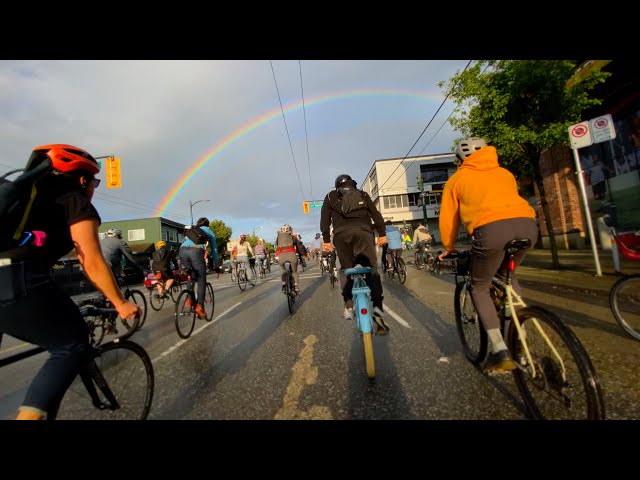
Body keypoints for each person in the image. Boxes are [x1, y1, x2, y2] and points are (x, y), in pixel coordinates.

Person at [0, 144, 141, 420]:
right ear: (81, 179)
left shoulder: (26, 196)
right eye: (94, 182)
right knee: (72, 344)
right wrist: (120, 302)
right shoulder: (74, 200)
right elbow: (91, 260)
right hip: (17, 278)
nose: (93, 188)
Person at [438, 137, 538, 373]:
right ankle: (521, 341)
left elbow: (449, 219)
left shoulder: (457, 180)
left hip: (491, 231)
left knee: (479, 287)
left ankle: (500, 351)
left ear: (461, 159)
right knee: (508, 279)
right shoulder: (505, 173)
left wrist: (449, 246)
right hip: (528, 226)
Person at [320, 174, 389, 335]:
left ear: (336, 185)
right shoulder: (362, 194)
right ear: (353, 184)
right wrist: (382, 234)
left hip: (341, 236)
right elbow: (376, 215)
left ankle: (349, 306)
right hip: (364, 233)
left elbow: (325, 220)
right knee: (372, 269)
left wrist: (326, 240)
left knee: (346, 269)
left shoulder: (330, 197)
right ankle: (378, 313)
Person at [179, 216, 218, 319]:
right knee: (201, 280)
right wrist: (216, 265)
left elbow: (185, 241)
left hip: (182, 251)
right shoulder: (209, 231)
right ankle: (199, 306)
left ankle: (189, 299)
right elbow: (214, 250)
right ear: (208, 224)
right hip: (196, 251)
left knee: (191, 275)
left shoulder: (192, 229)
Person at [275, 224, 304, 294]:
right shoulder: (293, 237)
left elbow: (277, 247)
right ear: (290, 230)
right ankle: (296, 286)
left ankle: (284, 285)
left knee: (283, 269)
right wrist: (301, 256)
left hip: (281, 256)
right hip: (292, 255)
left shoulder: (278, 238)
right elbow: (299, 248)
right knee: (294, 272)